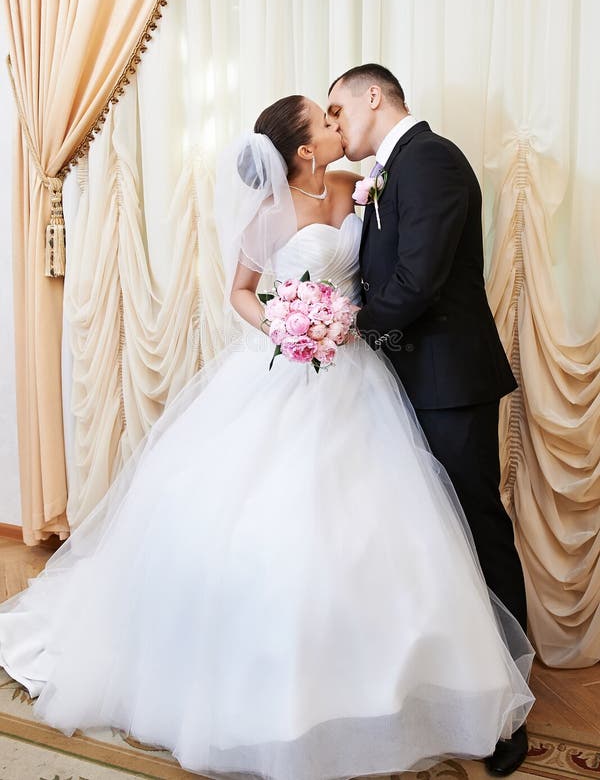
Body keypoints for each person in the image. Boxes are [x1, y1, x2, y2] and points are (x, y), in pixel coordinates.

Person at [0, 95, 533, 780]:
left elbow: (395, 270)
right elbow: (243, 292)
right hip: (293, 366)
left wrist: (343, 322)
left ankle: (426, 681)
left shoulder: (361, 183)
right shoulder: (269, 213)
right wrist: (287, 328)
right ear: (304, 149)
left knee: (387, 520)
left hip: (364, 368)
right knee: (273, 520)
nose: (338, 125)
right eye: (325, 121)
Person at [328, 64, 530, 776]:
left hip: (448, 381)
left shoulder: (432, 161)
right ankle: (451, 683)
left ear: (373, 97)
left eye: (337, 108)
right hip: (406, 380)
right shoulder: (393, 170)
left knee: (476, 528)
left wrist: (339, 325)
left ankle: (513, 701)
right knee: (429, 539)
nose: (334, 125)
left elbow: (416, 281)